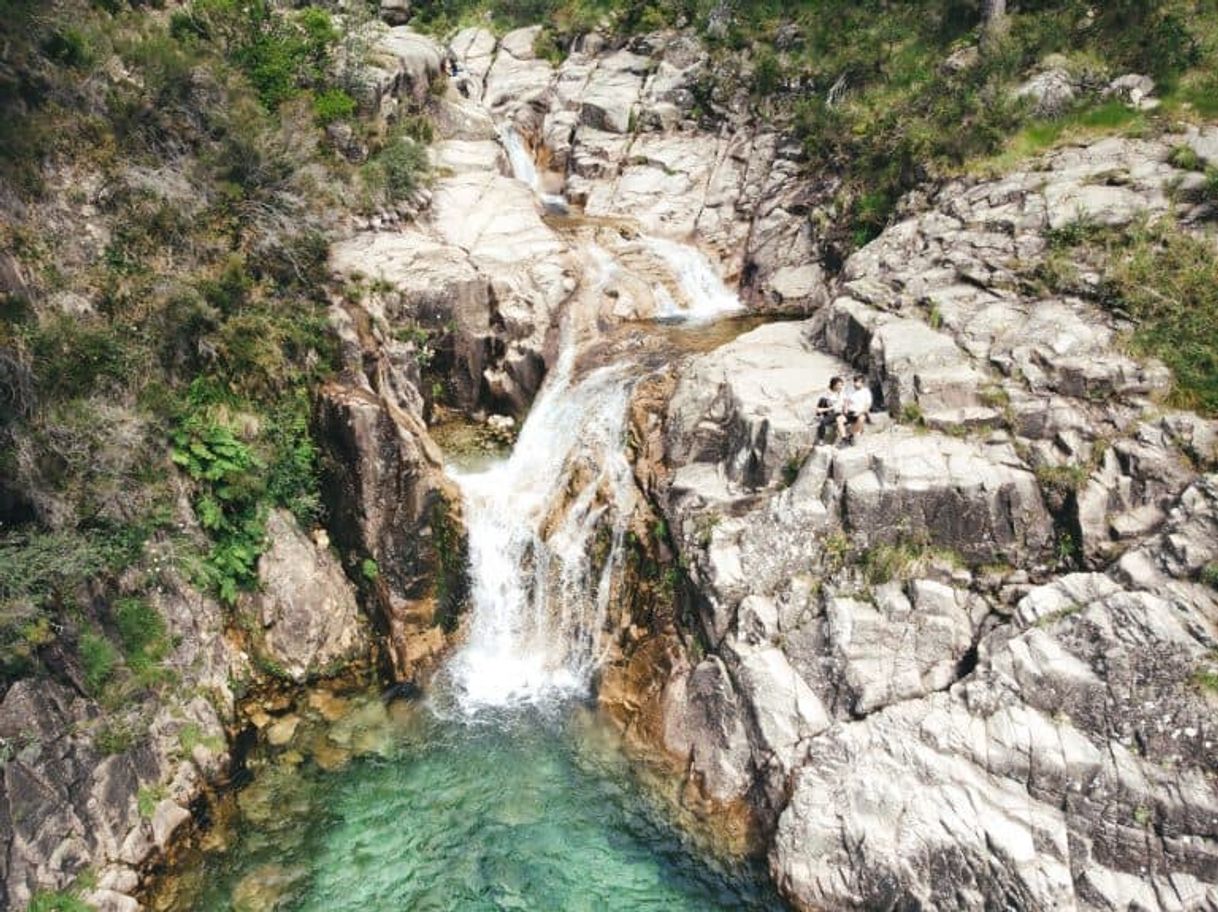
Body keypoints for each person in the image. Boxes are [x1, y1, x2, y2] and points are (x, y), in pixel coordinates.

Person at [838, 373, 874, 444]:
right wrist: (845, 408)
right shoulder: (850, 390)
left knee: (861, 418)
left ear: (862, 383)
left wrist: (860, 412)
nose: (855, 383)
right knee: (839, 419)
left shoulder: (866, 392)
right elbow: (846, 401)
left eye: (857, 382)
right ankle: (844, 438)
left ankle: (851, 433)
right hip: (850, 412)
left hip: (860, 412)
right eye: (855, 381)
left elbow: (867, 405)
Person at [815, 376, 845, 444]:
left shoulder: (842, 394)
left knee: (825, 419)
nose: (840, 387)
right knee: (823, 400)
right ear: (834, 385)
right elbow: (819, 408)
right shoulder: (828, 394)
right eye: (838, 385)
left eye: (841, 385)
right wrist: (829, 408)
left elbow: (840, 406)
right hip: (831, 413)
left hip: (838, 413)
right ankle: (821, 439)